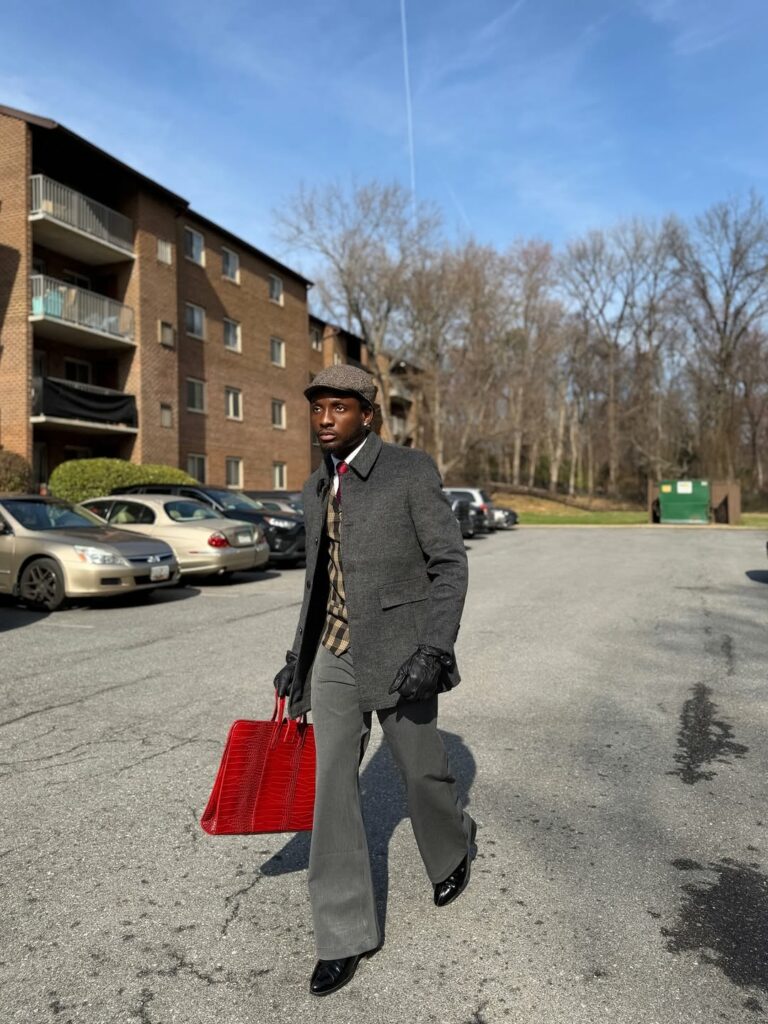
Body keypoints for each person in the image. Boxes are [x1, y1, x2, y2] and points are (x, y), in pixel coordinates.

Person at [273, 364, 475, 997]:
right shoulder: (315, 485)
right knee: (333, 785)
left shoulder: (410, 471)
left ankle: (452, 847)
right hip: (333, 650)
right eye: (317, 408)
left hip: (403, 649)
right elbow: (318, 582)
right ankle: (343, 934)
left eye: (339, 407)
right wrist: (297, 657)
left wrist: (434, 648)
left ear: (367, 415)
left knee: (421, 770)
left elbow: (449, 564)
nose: (325, 419)